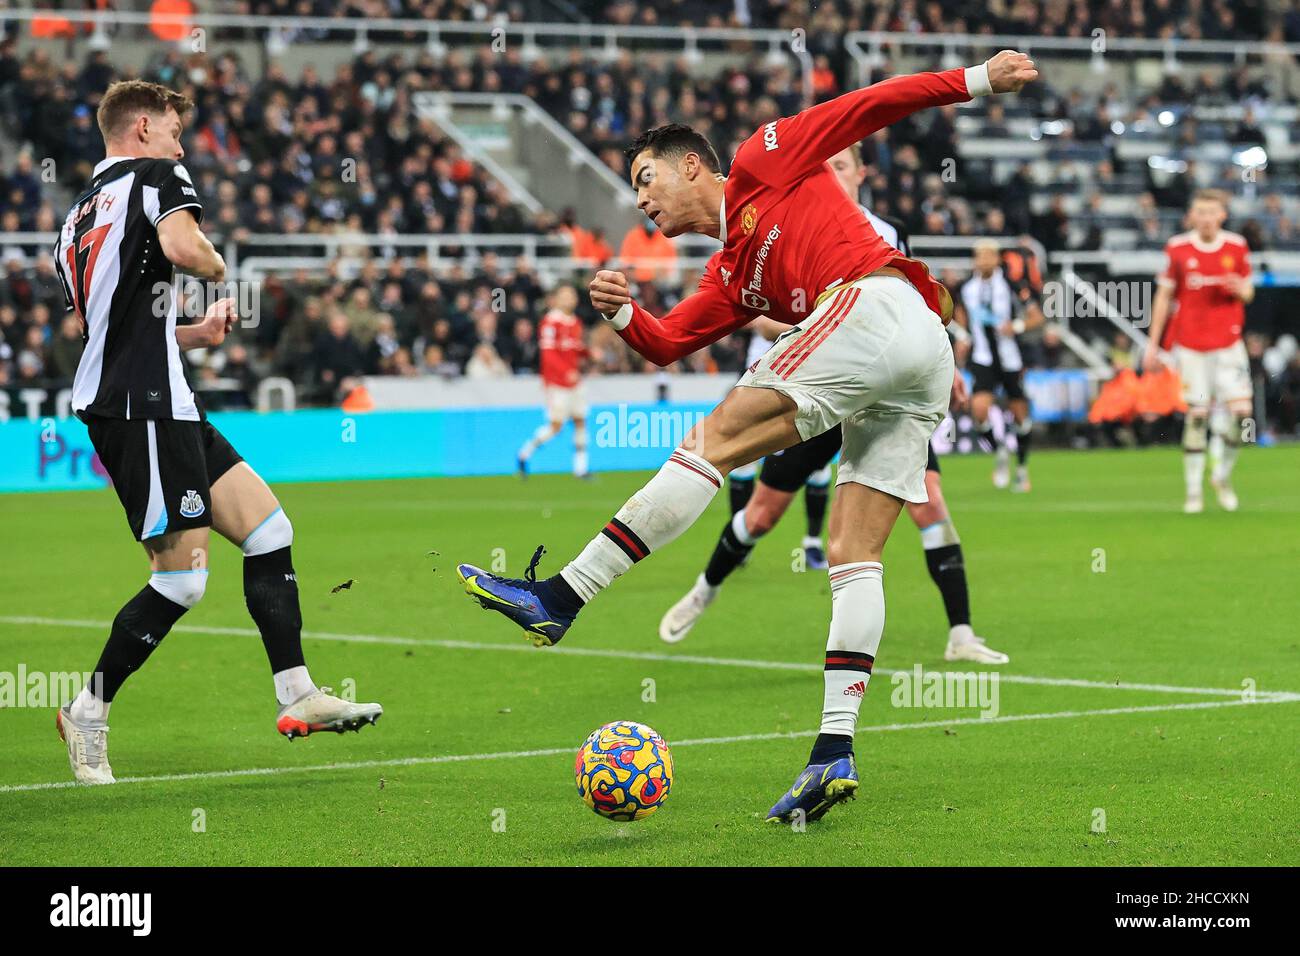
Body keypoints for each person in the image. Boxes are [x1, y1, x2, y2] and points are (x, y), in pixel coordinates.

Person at [456, 52, 1037, 824]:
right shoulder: (732, 273)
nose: (641, 203)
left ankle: (563, 595)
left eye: (644, 180)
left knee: (713, 439)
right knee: (853, 553)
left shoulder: (768, 156)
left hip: (876, 304)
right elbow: (667, 343)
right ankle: (834, 751)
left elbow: (867, 105)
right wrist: (625, 315)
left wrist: (974, 81)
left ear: (692, 166)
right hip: (920, 352)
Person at [51, 81, 381, 786]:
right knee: (180, 581)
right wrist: (215, 262)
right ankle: (87, 708)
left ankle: (296, 692)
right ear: (142, 127)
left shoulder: (76, 214)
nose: (180, 145)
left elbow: (115, 325)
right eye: (173, 131)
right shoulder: (156, 176)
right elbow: (186, 246)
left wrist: (192, 333)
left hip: (158, 394)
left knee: (269, 531)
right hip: (141, 406)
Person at [658, 144, 1009, 665]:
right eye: (829, 164)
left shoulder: (885, 233)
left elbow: (918, 298)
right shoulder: (785, 215)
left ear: (862, 172)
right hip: (816, 386)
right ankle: (704, 589)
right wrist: (819, 332)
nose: (834, 171)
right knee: (760, 514)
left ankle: (961, 633)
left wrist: (942, 361)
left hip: (885, 394)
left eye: (843, 165)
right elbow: (750, 307)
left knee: (930, 505)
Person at [1143, 189, 1254, 512]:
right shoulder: (1177, 248)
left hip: (1229, 344)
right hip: (1191, 346)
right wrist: (1153, 344)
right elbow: (1163, 297)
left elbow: (1248, 290)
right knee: (1197, 417)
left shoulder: (1236, 246)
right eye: (1200, 212)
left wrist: (1241, 290)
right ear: (1191, 216)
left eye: (1212, 212)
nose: (1206, 218)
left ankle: (1221, 475)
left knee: (1241, 414)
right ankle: (1193, 492)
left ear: (1222, 215)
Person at [955, 239, 1044, 492]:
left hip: (1010, 358)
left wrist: (1015, 327)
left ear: (997, 259)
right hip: (982, 357)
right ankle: (1000, 450)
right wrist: (963, 337)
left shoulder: (1013, 286)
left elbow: (1037, 317)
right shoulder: (966, 288)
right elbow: (962, 316)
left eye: (988, 255)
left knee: (1019, 415)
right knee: (979, 411)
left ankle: (1023, 468)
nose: (983, 260)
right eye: (979, 255)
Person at [516, 285, 591, 478]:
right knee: (556, 426)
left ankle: (581, 469)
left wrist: (589, 353)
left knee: (580, 420)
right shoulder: (550, 322)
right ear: (556, 299)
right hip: (557, 382)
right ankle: (525, 453)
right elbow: (548, 355)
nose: (570, 299)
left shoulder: (575, 322)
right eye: (565, 295)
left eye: (572, 295)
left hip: (575, 381)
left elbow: (574, 348)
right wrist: (565, 372)